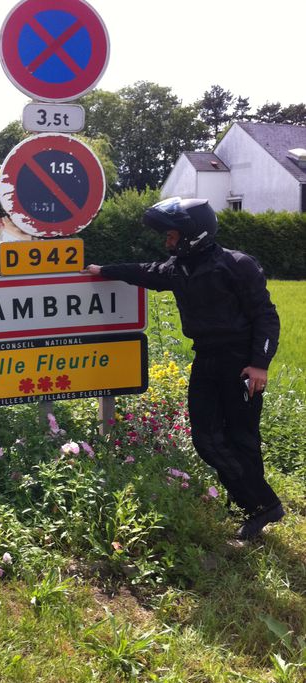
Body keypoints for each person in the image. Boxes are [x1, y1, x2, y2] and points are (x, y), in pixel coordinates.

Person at [83, 197, 284, 541]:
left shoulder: (237, 265)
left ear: (193, 235)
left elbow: (266, 316)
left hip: (241, 364)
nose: (167, 242)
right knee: (206, 439)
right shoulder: (180, 270)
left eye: (172, 236)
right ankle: (260, 503)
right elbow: (144, 271)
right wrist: (104, 271)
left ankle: (256, 508)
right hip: (206, 359)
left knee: (242, 439)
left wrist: (259, 364)